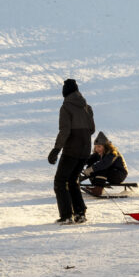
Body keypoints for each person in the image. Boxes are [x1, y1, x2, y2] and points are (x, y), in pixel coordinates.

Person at [47, 79, 95, 224]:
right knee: (72, 180)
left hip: (71, 150)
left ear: (65, 92)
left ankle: (66, 215)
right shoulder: (87, 107)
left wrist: (56, 149)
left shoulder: (66, 107)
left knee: (60, 181)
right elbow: (92, 129)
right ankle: (80, 213)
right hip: (85, 150)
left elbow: (65, 130)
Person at [81, 132, 128, 196]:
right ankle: (91, 185)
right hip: (110, 173)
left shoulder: (112, 153)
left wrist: (91, 169)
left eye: (99, 146)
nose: (97, 149)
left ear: (106, 147)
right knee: (91, 167)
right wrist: (78, 165)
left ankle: (98, 189)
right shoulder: (99, 153)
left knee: (101, 167)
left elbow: (104, 164)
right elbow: (88, 160)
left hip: (119, 175)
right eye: (96, 147)